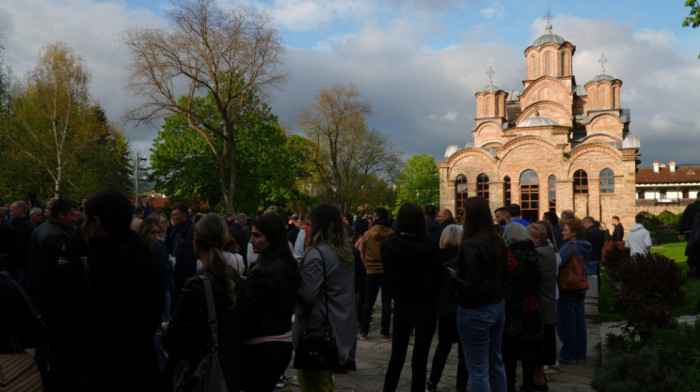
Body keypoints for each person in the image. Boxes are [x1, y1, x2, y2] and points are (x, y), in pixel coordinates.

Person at [49, 191, 164, 391]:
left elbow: (58, 332)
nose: (81, 225)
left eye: (83, 219)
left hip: (94, 375)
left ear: (95, 223)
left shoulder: (79, 271)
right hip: (141, 374)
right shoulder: (148, 264)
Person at [162, 213, 246, 391]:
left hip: (200, 373)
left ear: (196, 243)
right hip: (229, 371)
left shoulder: (196, 285)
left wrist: (164, 329)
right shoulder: (234, 277)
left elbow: (173, 340)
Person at [293, 203, 357, 390]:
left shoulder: (317, 255)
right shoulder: (346, 252)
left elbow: (307, 295)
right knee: (325, 382)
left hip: (317, 332)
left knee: (313, 384)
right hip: (337, 328)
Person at [449, 196, 508, 392]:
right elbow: (504, 274)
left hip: (476, 310)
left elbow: (471, 284)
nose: (462, 217)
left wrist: (454, 278)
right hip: (497, 306)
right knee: (495, 362)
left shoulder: (471, 244)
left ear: (472, 215)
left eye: (464, 213)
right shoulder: (498, 240)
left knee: (478, 369)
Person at [381, 202, 441, 392]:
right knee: (420, 358)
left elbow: (388, 270)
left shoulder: (389, 243)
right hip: (425, 304)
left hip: (402, 303)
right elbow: (438, 275)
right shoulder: (429, 245)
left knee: (397, 356)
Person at [244, 213, 300, 392]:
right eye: (252, 234)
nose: (251, 240)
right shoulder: (289, 265)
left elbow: (249, 317)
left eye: (257, 235)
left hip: (261, 346)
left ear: (272, 238)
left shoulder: (261, 271)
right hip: (282, 344)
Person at [426, 224, 468, 392]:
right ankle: (461, 386)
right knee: (463, 351)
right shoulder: (464, 259)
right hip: (462, 308)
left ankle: (432, 383)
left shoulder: (437, 258)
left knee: (443, 348)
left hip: (444, 308)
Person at [501, 223, 543, 392]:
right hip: (532, 305)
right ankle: (528, 383)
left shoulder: (508, 255)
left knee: (509, 353)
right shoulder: (534, 254)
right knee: (528, 351)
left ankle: (509, 385)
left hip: (511, 308)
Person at [527, 223, 558, 390]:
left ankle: (539, 378)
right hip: (548, 301)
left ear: (537, 238)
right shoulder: (548, 249)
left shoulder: (539, 252)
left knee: (541, 341)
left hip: (542, 303)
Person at [557, 218, 591, 364]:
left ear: (574, 233)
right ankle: (580, 354)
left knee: (567, 322)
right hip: (580, 285)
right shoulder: (585, 246)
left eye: (565, 230)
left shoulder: (569, 247)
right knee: (579, 322)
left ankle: (569, 354)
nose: (562, 232)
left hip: (568, 286)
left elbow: (558, 263)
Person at [359, 207, 394, 341]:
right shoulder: (391, 233)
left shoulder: (367, 234)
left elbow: (363, 250)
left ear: (376, 218)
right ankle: (384, 332)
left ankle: (364, 331)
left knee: (368, 301)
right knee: (386, 302)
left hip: (371, 270)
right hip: (386, 270)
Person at [168, 204, 197, 305]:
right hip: (177, 274)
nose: (173, 217)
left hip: (188, 275)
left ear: (184, 215)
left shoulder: (193, 230)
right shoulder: (175, 230)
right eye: (172, 215)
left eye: (175, 215)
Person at [680, 195, 700, 277]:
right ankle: (695, 269)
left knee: (691, 250)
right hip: (697, 232)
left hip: (689, 232)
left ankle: (691, 267)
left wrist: (681, 233)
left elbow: (683, 219)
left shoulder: (690, 207)